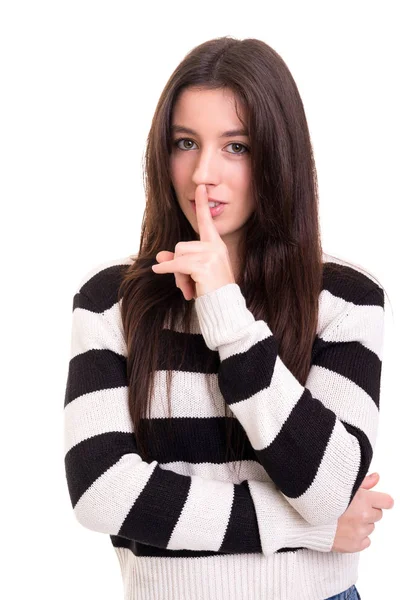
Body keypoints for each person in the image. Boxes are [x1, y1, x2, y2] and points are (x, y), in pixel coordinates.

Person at [63, 36, 394, 600]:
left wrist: (226, 311)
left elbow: (328, 485)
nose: (202, 173)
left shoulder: (344, 298)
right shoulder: (110, 299)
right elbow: (101, 492)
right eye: (185, 142)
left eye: (235, 146)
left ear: (277, 154)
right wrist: (306, 529)